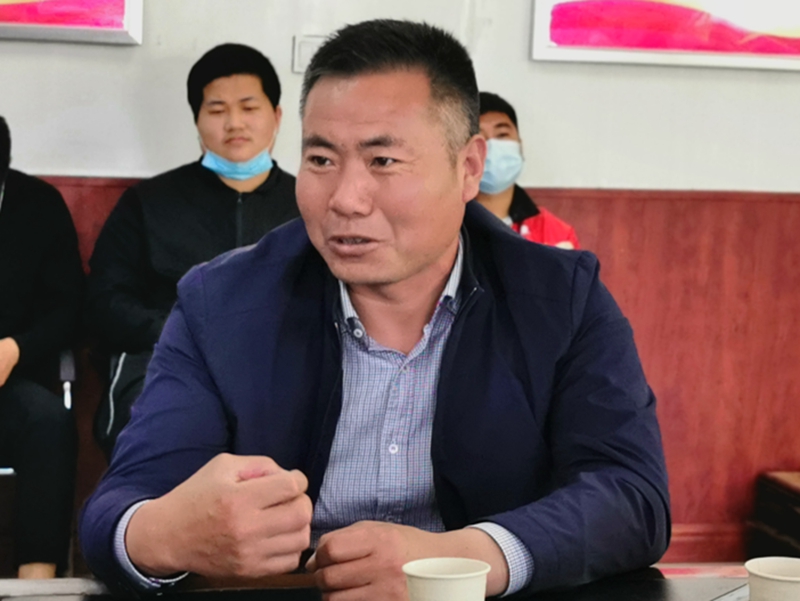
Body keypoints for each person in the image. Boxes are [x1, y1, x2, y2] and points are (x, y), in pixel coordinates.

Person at [80, 20, 670, 599]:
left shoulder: (561, 298)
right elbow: (120, 506)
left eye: (382, 161)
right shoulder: (221, 303)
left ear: (468, 167)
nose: (344, 199)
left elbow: (631, 494)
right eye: (321, 160)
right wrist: (168, 534)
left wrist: (463, 560)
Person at [85, 43, 300, 459]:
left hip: (278, 364)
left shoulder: (308, 205)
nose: (234, 123)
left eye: (249, 108)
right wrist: (180, 333)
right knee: (169, 429)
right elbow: (106, 300)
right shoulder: (148, 203)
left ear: (276, 116)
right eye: (217, 110)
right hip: (167, 357)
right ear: (197, 121)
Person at [0, 116, 83, 579]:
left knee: (50, 423)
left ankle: (37, 579)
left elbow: (68, 309)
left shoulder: (39, 206)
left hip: (8, 379)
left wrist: (16, 348)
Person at [477, 91, 580, 249]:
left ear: (520, 145)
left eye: (502, 135)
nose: (491, 145)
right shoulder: (446, 228)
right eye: (479, 137)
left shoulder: (557, 235)